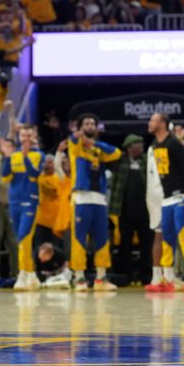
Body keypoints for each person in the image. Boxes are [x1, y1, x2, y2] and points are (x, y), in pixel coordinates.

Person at [145, 113, 184, 293]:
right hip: (166, 198)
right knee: (167, 235)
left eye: (153, 120)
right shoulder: (154, 145)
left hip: (182, 195)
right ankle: (167, 277)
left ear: (162, 124)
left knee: (183, 231)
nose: (150, 123)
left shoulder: (174, 144)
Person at [67, 114, 121, 291]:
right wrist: (81, 137)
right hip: (81, 198)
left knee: (102, 239)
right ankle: (80, 278)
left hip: (100, 199)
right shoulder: (75, 145)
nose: (89, 126)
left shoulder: (100, 150)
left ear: (96, 128)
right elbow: (73, 138)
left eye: (92, 124)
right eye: (86, 123)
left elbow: (117, 153)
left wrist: (95, 144)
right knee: (79, 239)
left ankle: (101, 278)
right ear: (80, 127)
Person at [0, 127, 42, 291]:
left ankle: (22, 273)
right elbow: (5, 177)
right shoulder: (13, 155)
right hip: (14, 201)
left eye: (29, 135)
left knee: (24, 237)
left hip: (30, 201)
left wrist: (25, 157)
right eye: (23, 135)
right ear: (19, 136)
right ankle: (31, 274)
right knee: (21, 240)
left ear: (34, 136)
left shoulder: (39, 155)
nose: (25, 137)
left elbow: (34, 175)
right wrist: (8, 157)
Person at [109, 134, 153, 285]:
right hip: (124, 211)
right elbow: (110, 153)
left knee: (147, 245)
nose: (141, 148)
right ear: (129, 147)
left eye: (142, 145)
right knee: (125, 245)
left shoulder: (146, 160)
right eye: (138, 145)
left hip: (145, 211)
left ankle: (147, 276)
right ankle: (125, 276)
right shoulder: (119, 160)